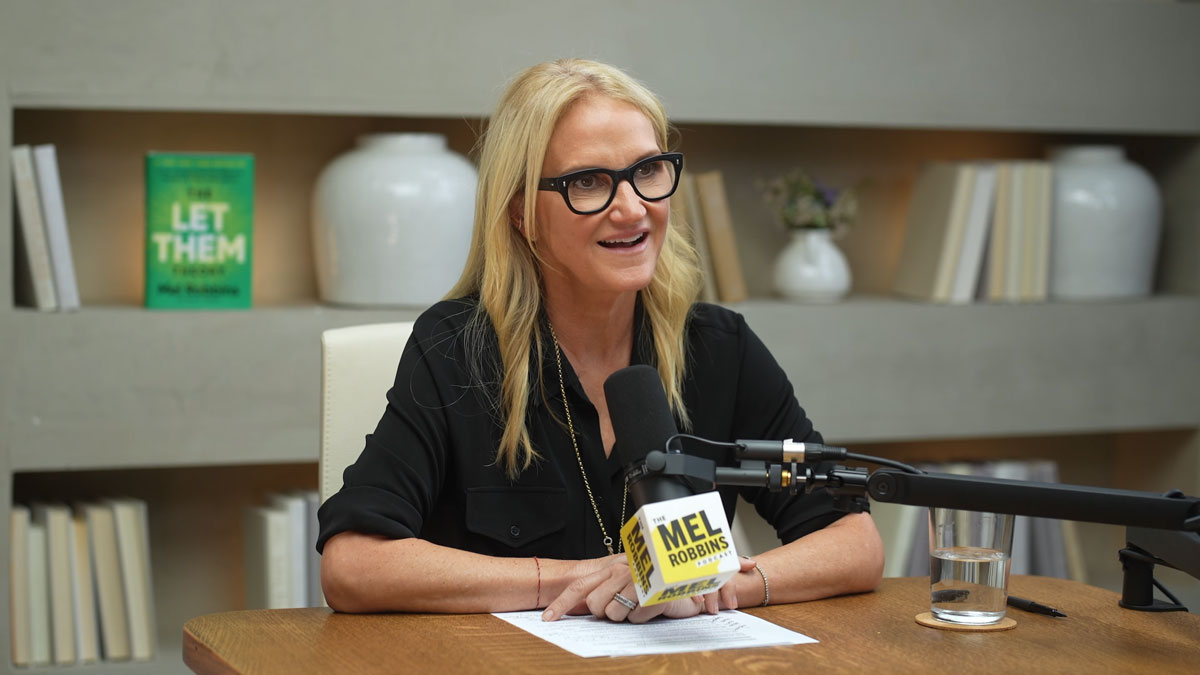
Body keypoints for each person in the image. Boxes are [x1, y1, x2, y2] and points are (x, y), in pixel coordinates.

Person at [317, 58, 883, 623]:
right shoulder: (456, 350)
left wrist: (722, 585)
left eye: (648, 171)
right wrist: (588, 577)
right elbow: (354, 565)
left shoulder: (719, 348)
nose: (632, 209)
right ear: (520, 213)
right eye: (587, 182)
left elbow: (855, 542)